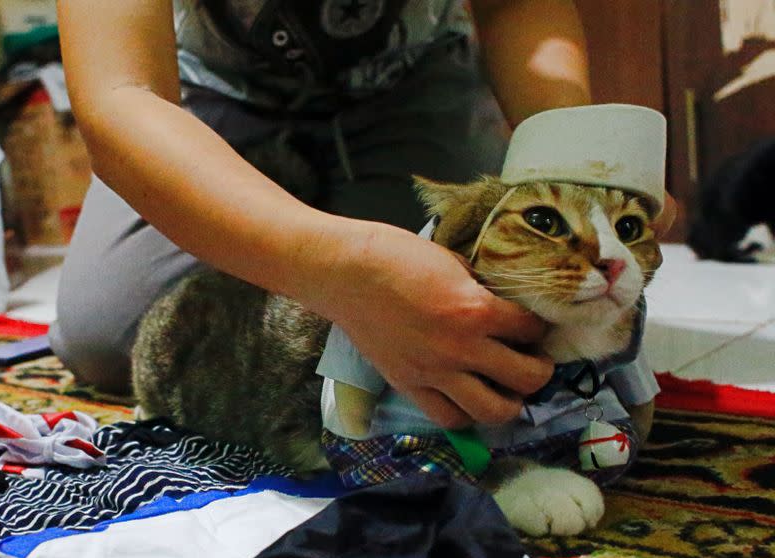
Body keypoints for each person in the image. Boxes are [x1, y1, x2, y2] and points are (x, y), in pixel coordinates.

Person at [51, 0, 675, 430]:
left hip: (408, 84)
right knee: (109, 332)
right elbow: (120, 94)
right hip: (202, 95)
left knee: (481, 307)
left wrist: (577, 160)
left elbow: (513, 5)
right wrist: (336, 265)